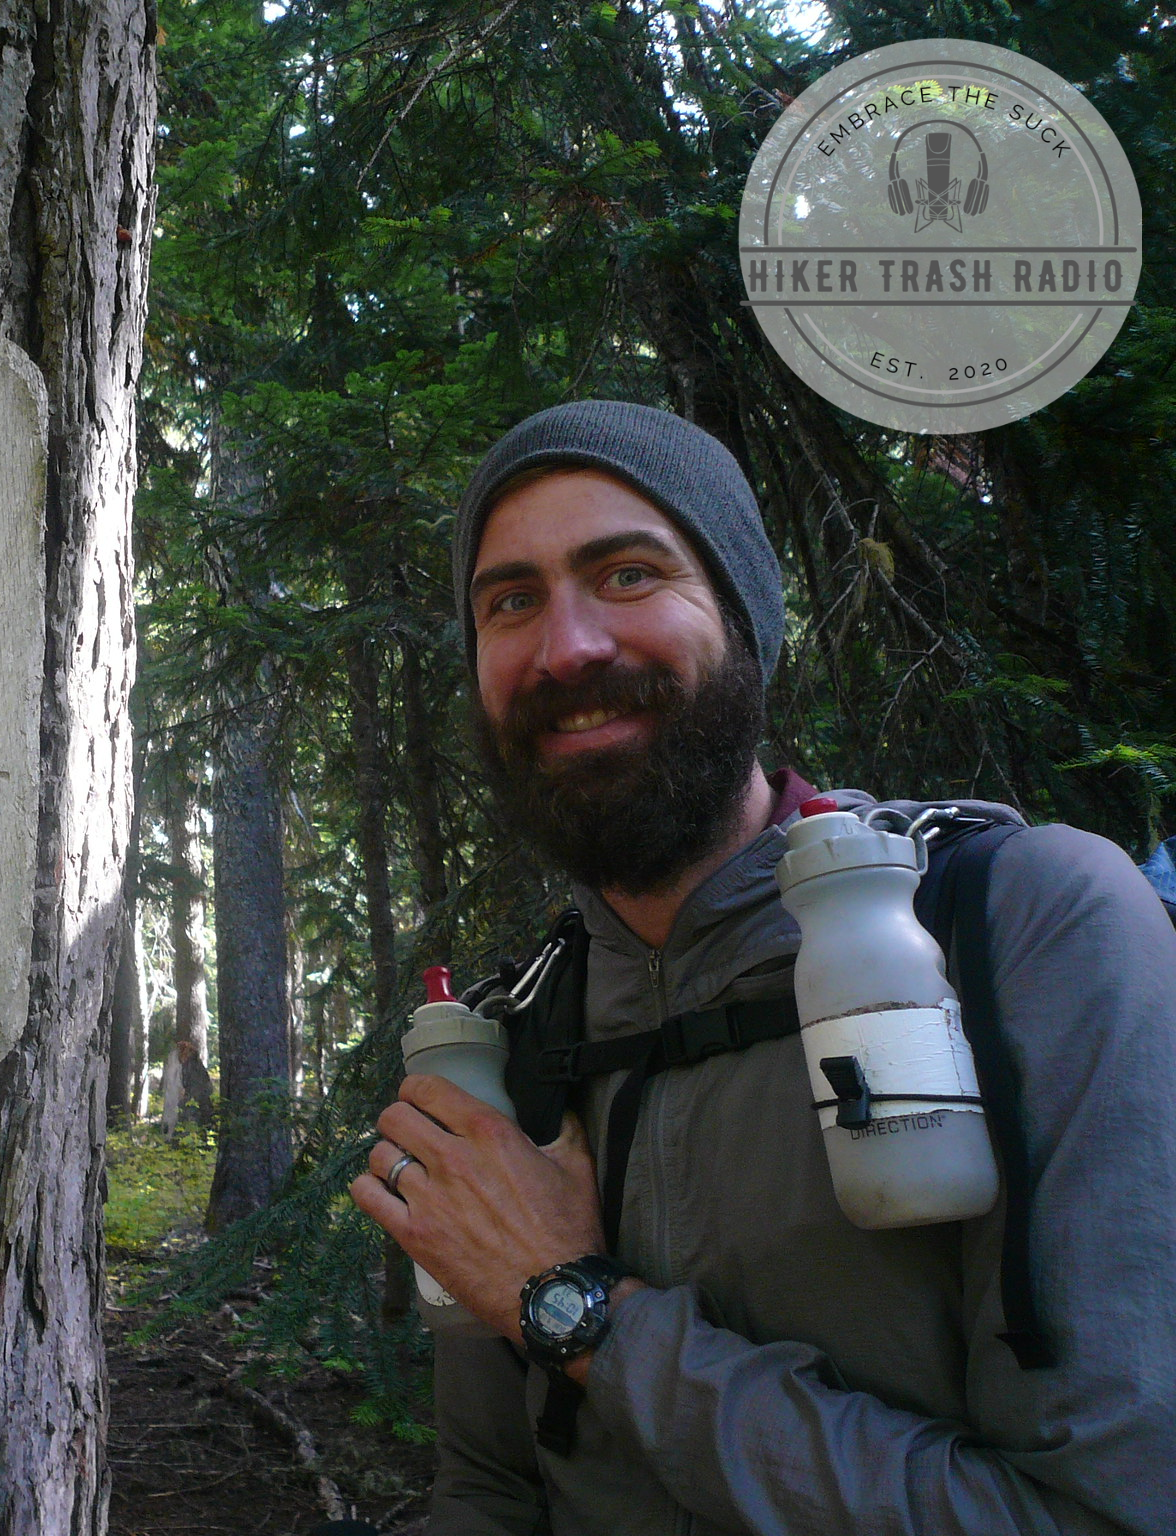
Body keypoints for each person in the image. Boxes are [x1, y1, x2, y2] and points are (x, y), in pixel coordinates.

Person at [348, 401, 1176, 1533]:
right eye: (508, 600)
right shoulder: (522, 1040)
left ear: (743, 619)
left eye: (628, 574)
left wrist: (580, 1313)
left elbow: (1104, 1512)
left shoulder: (1018, 925)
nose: (567, 647)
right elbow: (486, 1492)